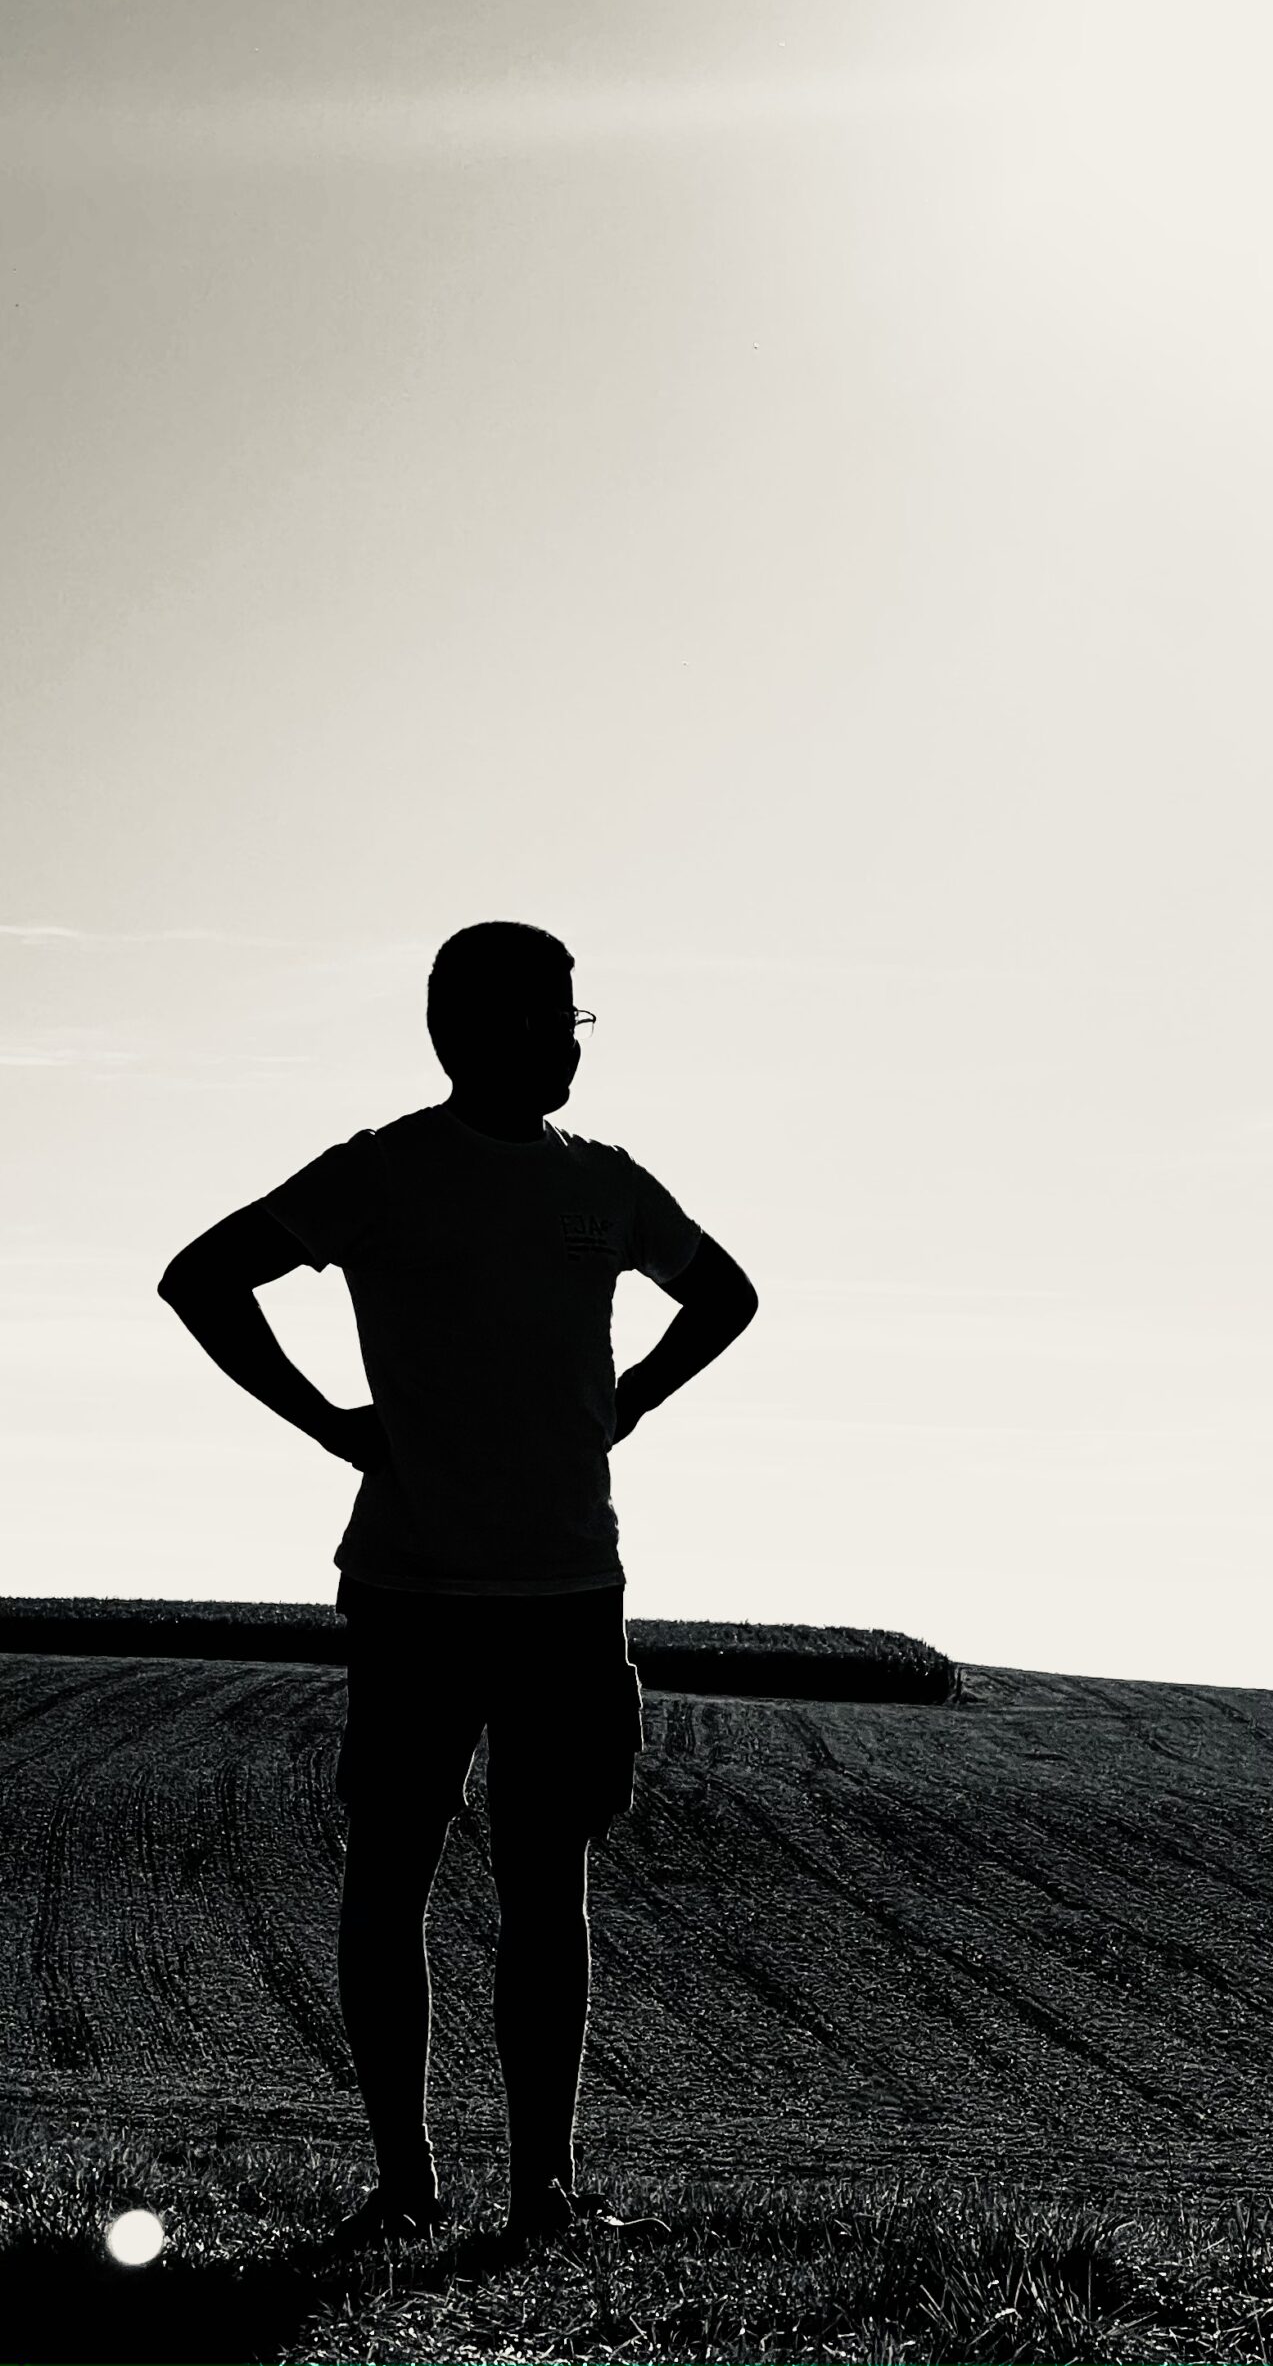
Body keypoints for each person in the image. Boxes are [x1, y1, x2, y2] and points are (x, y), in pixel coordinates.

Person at [156, 920, 757, 2257]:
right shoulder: (379, 1174)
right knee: (393, 1876)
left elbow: (727, 1295)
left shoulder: (604, 1183)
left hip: (565, 1598)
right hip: (415, 1590)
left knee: (552, 1890)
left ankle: (544, 2191)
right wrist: (327, 1423)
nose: (565, 1045)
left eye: (573, 1022)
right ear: (459, 1030)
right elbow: (200, 1278)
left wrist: (634, 1399)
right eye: (546, 1020)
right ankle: (407, 2185)